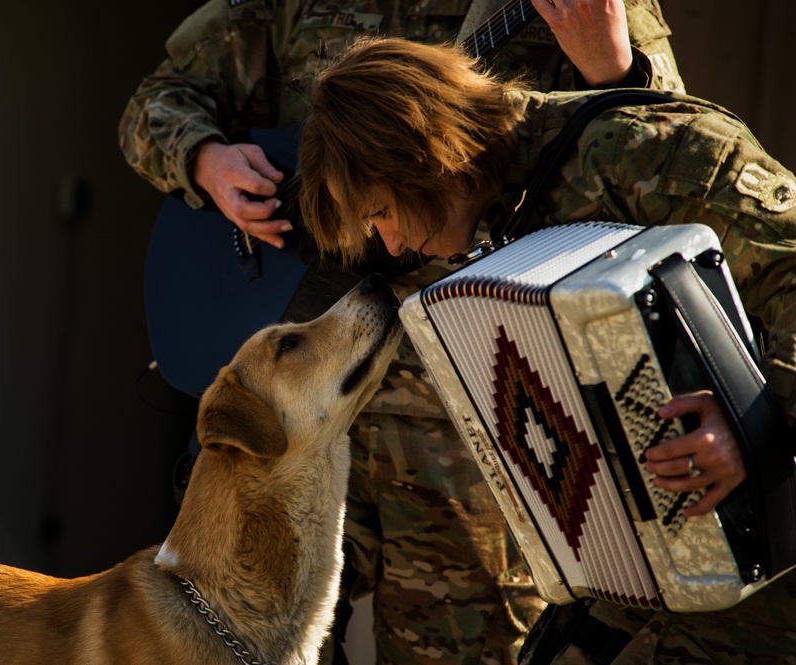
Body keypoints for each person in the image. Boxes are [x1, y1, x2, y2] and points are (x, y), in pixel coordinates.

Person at [120, 2, 685, 663]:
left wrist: (615, 67)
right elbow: (153, 104)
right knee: (230, 643)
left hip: (471, 407)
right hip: (309, 396)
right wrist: (206, 160)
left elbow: (663, 149)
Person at [298, 35, 796, 664]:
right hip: (660, 583)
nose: (391, 246)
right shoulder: (491, 218)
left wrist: (755, 424)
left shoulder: (653, 152)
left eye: (382, 213)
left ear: (422, 160)